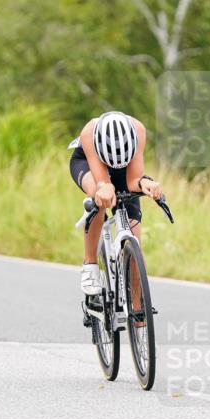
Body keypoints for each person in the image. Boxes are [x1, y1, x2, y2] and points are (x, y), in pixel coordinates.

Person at [68, 111, 163, 295]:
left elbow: (133, 180)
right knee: (99, 194)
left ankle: (139, 310)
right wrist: (103, 188)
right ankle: (90, 264)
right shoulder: (89, 132)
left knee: (135, 239)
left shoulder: (138, 130)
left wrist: (145, 182)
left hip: (124, 168)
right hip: (88, 163)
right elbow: (103, 182)